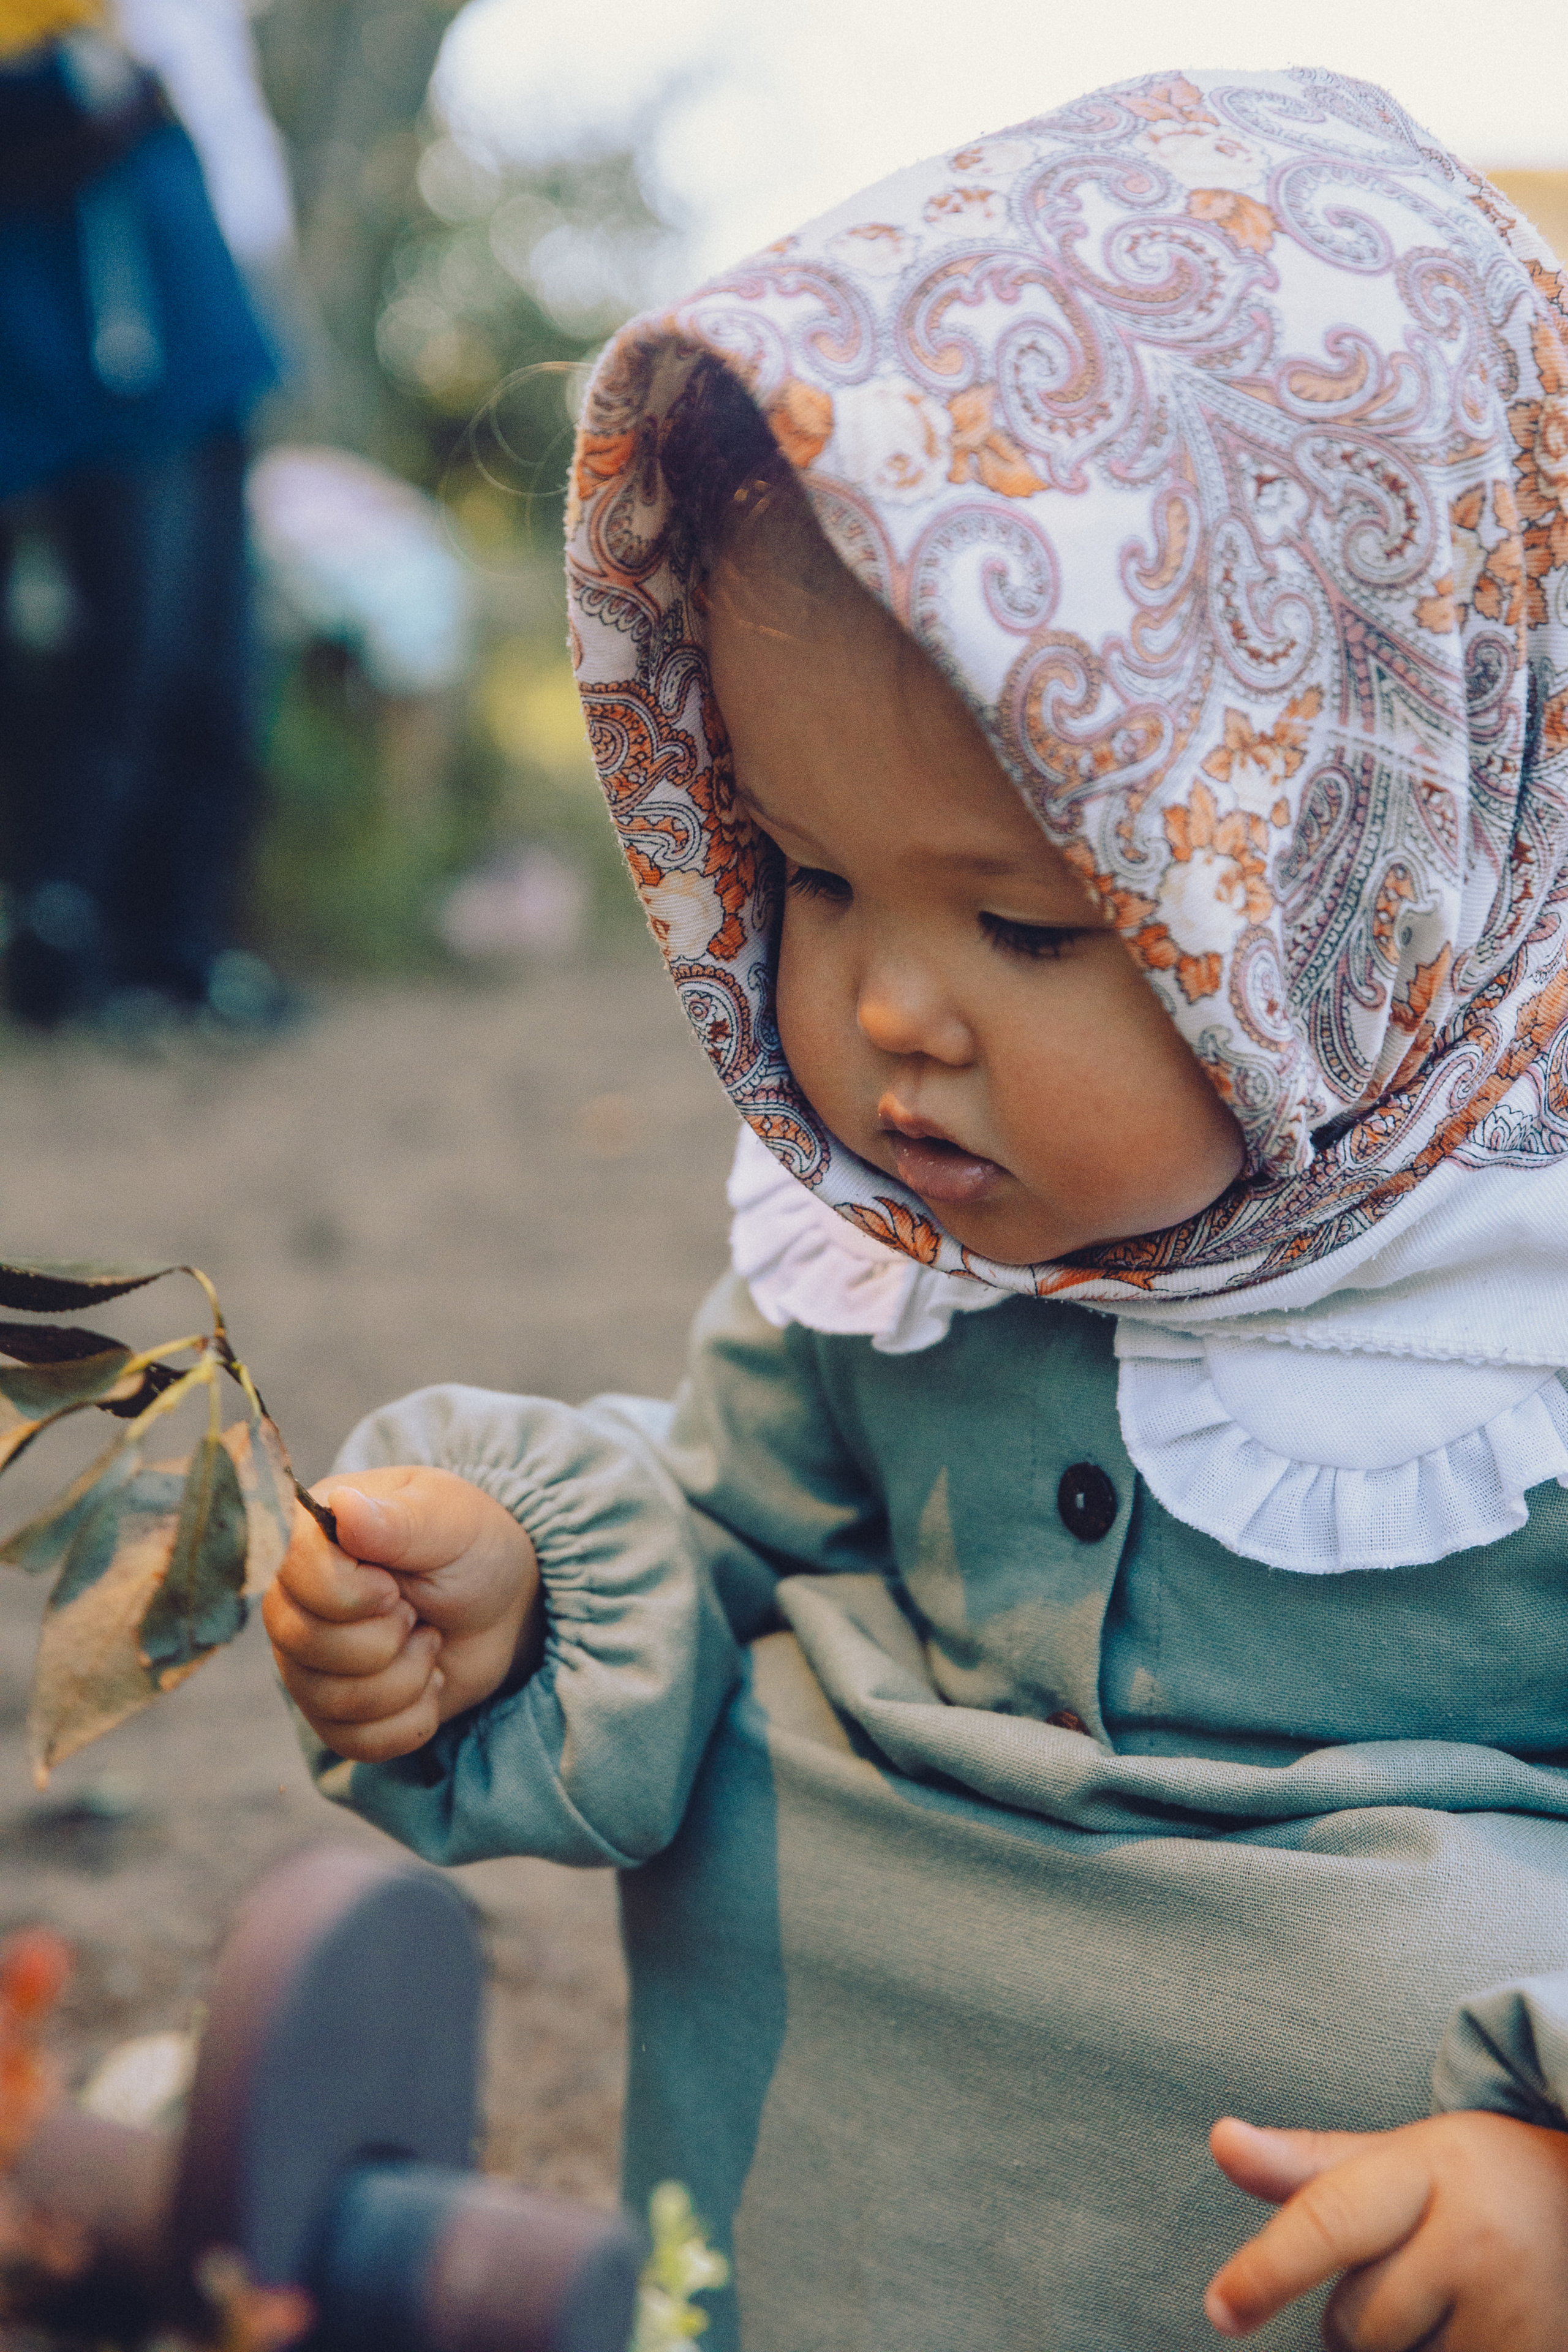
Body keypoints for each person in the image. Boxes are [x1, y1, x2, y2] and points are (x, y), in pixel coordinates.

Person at [265, 67, 1568, 2352]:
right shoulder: (896, 1253)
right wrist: (516, 1601)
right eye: (816, 872)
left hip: (1337, 2235)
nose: (882, 1009)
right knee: (774, 1753)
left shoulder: (1515, 1316)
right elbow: (729, 1520)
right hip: (868, 2184)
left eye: (1034, 929)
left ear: (1381, 872)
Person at [0, 2, 282, 1027]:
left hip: (204, 351)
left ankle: (183, 951)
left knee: (220, 666)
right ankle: (75, 947)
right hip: (102, 382)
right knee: (125, 666)